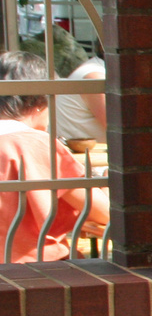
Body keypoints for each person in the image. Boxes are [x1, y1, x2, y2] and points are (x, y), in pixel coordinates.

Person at [0, 51, 108, 261]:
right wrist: (104, 182)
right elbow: (103, 213)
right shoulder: (35, 144)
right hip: (36, 267)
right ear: (40, 101)